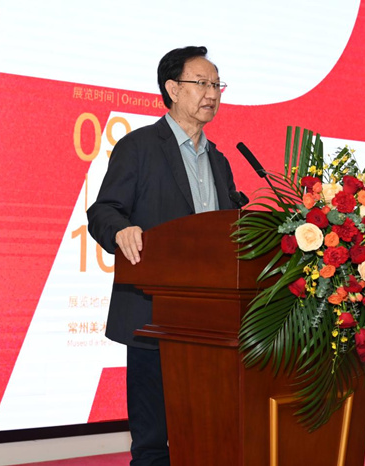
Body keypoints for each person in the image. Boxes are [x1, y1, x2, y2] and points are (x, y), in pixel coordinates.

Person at [87, 46, 245, 465]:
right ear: (172, 89)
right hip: (153, 316)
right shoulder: (139, 147)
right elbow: (103, 211)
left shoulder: (220, 161)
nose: (212, 93)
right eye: (202, 83)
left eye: (217, 85)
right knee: (153, 441)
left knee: (207, 435)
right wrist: (121, 229)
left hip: (212, 325)